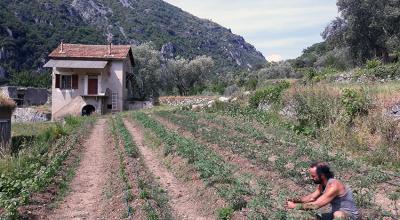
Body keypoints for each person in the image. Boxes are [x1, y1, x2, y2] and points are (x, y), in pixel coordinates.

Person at [285, 162, 359, 220]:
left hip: (350, 216)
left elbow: (315, 205)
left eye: (314, 176)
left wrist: (295, 206)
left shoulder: (334, 186)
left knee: (338, 214)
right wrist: (294, 200)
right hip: (333, 214)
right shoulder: (323, 185)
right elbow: (311, 198)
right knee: (310, 216)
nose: (311, 178)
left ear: (322, 175)